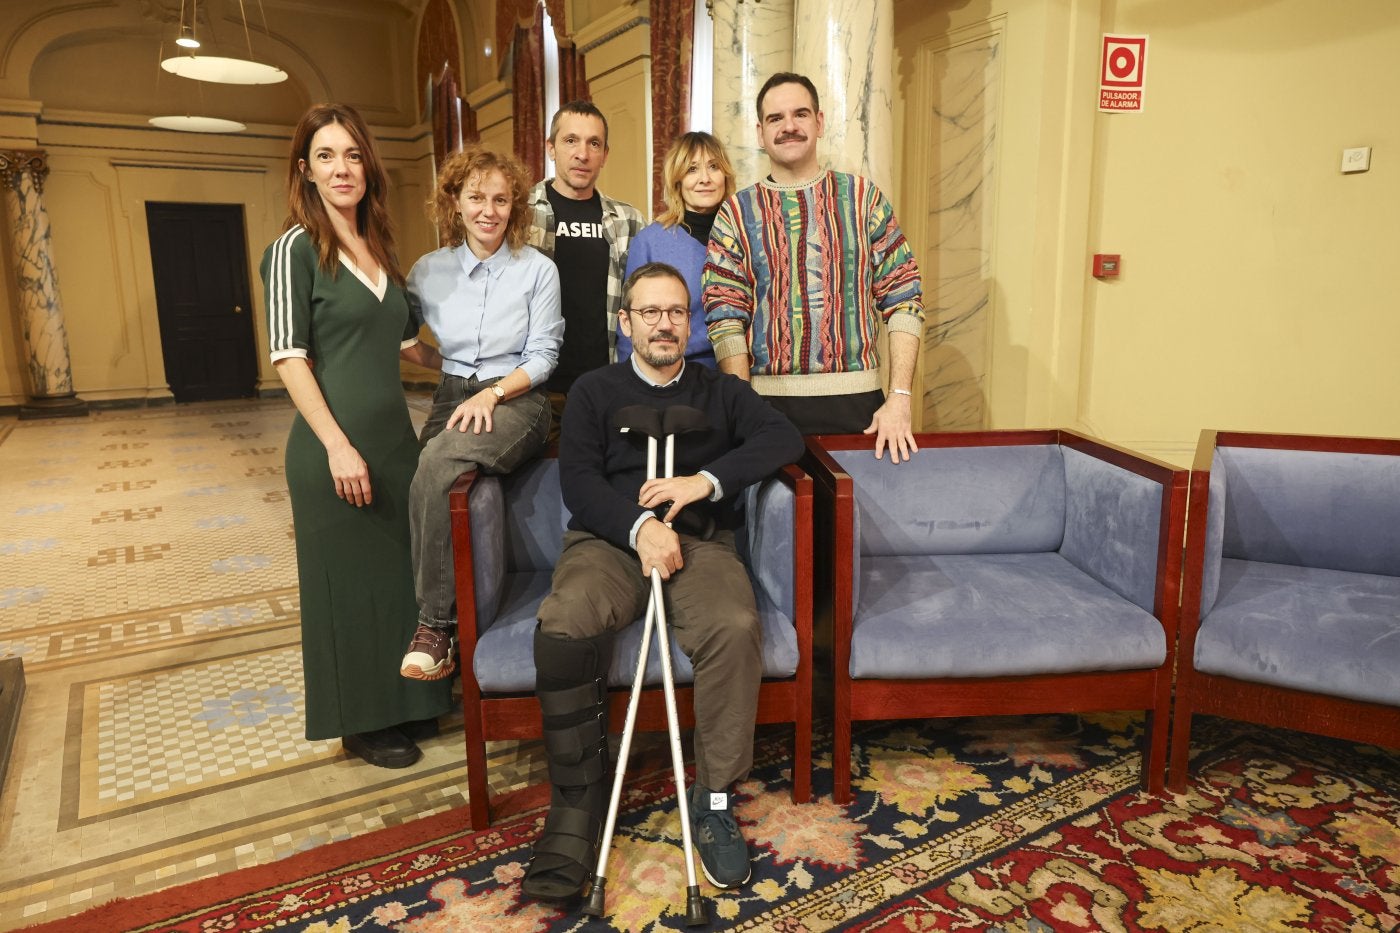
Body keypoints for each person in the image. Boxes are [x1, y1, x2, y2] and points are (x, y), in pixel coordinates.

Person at [520, 262, 803, 904]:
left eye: (675, 312)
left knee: (734, 627)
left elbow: (782, 436)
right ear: (627, 323)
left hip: (702, 543)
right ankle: (577, 801)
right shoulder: (594, 391)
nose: (664, 324)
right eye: (649, 313)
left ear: (691, 320)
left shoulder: (719, 392)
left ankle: (715, 800)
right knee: (565, 618)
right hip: (610, 541)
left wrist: (705, 482)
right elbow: (579, 483)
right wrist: (638, 525)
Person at [260, 103, 451, 769]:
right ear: (306, 172)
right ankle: (360, 723)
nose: (342, 168)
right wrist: (338, 445)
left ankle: (406, 704)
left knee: (396, 582)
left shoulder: (377, 247)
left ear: (368, 166)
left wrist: (470, 365)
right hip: (330, 447)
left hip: (394, 444)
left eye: (351, 155)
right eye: (326, 157)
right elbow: (290, 357)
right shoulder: (293, 250)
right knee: (346, 587)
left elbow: (403, 344)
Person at [397, 147, 563, 681]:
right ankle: (441, 628)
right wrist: (439, 364)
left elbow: (543, 357)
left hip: (517, 396)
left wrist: (491, 395)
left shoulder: (538, 269)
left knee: (441, 459)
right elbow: (402, 339)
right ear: (455, 202)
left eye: (499, 198)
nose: (488, 210)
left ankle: (435, 627)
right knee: (420, 473)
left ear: (515, 205)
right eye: (476, 197)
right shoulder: (428, 271)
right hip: (451, 389)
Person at [703, 72, 925, 462]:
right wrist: (742, 410)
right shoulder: (736, 213)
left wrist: (900, 398)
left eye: (800, 114)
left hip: (860, 407)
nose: (789, 126)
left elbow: (905, 296)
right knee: (775, 522)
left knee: (854, 522)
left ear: (819, 122)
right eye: (775, 119)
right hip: (766, 408)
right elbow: (725, 315)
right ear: (760, 132)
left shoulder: (862, 198)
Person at [526, 100, 645, 427]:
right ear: (551, 148)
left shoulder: (629, 220)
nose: (583, 153)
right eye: (570, 141)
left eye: (594, 143)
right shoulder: (519, 215)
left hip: (605, 385)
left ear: (605, 154)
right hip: (534, 386)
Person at [617, 131, 737, 369]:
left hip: (742, 372)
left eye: (713, 166)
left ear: (725, 175)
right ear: (677, 180)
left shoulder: (745, 235)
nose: (705, 178)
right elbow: (631, 327)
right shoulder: (650, 242)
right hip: (673, 373)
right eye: (692, 169)